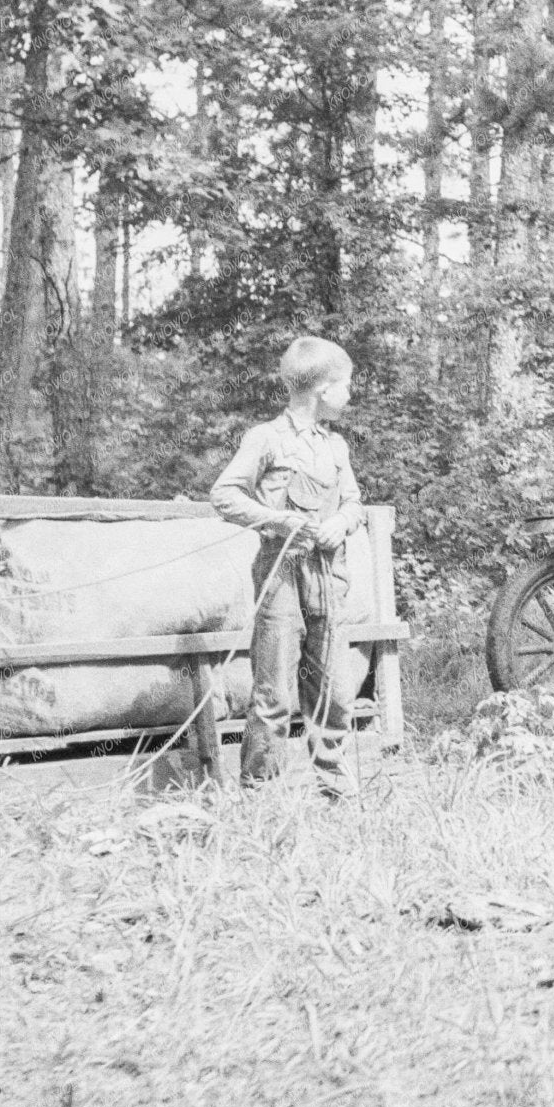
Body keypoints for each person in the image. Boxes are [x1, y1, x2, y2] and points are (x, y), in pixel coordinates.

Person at [211, 335, 366, 797]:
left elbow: (356, 502)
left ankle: (334, 784)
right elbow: (224, 495)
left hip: (329, 575)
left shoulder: (336, 446)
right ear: (322, 390)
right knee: (274, 691)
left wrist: (340, 521)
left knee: (336, 690)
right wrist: (277, 520)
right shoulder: (265, 438)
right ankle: (260, 793)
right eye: (346, 386)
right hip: (280, 574)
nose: (350, 395)